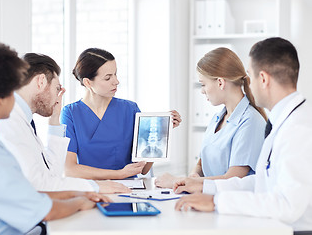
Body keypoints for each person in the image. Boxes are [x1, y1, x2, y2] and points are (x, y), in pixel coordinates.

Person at [0, 39, 110, 234]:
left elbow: (26, 195)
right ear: (1, 93)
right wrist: (80, 202)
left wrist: (77, 193)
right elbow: (44, 210)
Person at [174, 37, 312, 233]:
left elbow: (287, 205)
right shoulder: (284, 121)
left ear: (263, 79)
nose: (248, 83)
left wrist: (218, 202)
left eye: (251, 76)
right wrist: (208, 190)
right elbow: (262, 182)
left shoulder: (299, 128)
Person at [0, 52, 129, 193]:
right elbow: (37, 184)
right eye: (57, 88)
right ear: (41, 81)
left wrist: (54, 120)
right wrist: (95, 187)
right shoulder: (9, 122)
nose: (57, 96)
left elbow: (52, 173)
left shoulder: (24, 120)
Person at [60, 48, 182, 180]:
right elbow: (70, 170)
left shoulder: (130, 109)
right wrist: (120, 174)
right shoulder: (70, 114)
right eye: (108, 78)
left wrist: (161, 130)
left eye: (115, 74)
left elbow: (144, 169)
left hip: (126, 193)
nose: (116, 81)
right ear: (88, 82)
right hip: (91, 193)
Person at [155, 47, 266, 190]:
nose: (202, 90)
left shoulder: (250, 122)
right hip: (208, 200)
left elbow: (232, 179)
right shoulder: (217, 118)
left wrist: (182, 181)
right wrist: (194, 174)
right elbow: (202, 162)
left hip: (233, 204)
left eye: (203, 84)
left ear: (220, 82)